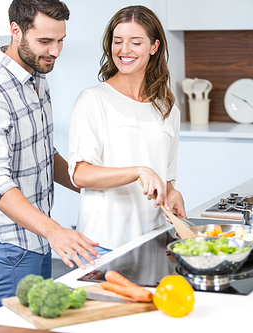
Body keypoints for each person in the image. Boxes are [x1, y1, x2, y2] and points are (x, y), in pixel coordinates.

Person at [0, 0, 99, 311]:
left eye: (60, 40)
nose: (55, 51)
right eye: (45, 41)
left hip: (37, 236)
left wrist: (93, 186)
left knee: (40, 323)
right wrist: (55, 232)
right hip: (9, 245)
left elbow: (42, 154)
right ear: (16, 31)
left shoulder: (37, 76)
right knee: (14, 329)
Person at [68, 5, 186, 254]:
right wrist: (137, 171)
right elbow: (80, 174)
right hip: (104, 243)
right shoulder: (93, 99)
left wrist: (173, 192)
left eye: (136, 42)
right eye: (118, 41)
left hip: (154, 238)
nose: (124, 50)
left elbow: (165, 177)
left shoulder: (166, 107)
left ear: (154, 47)